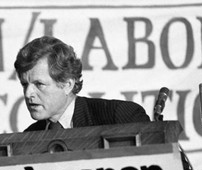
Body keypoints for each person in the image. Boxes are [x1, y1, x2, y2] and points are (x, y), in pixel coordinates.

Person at [14, 36, 150, 131]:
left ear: (68, 85)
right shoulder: (29, 137)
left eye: (39, 84)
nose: (28, 94)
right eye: (25, 84)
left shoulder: (119, 117)